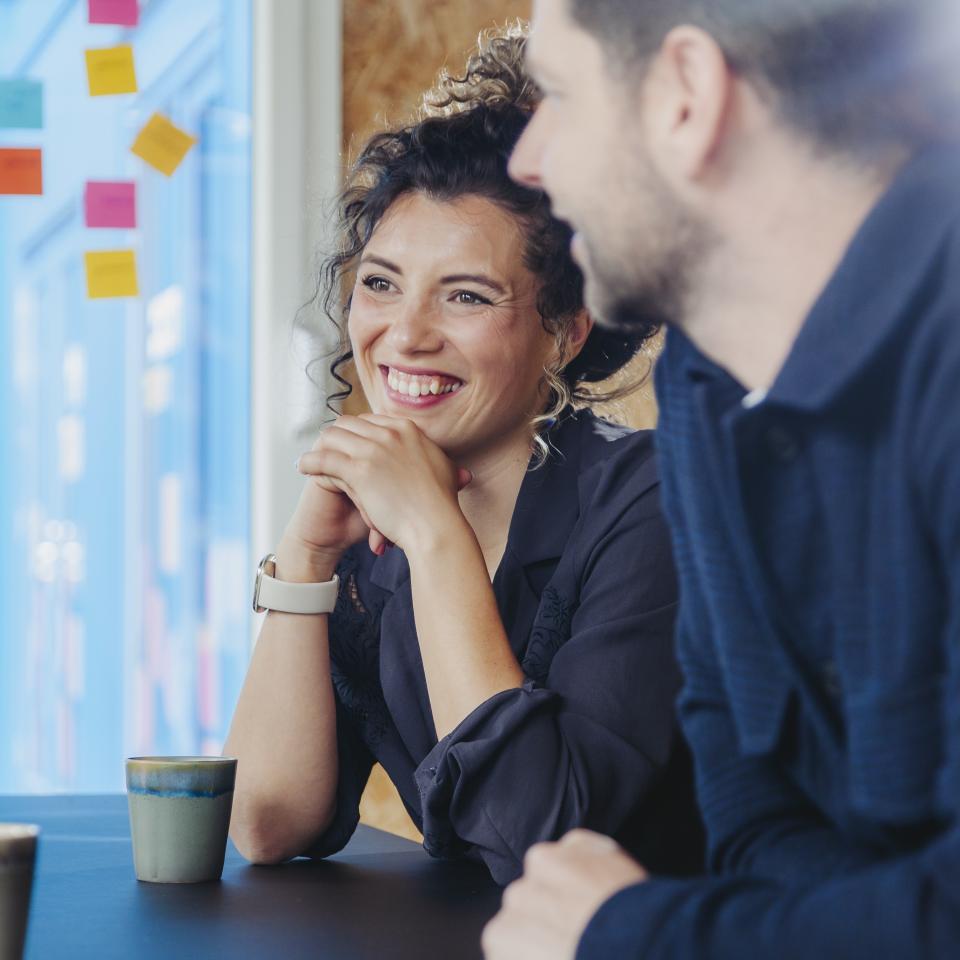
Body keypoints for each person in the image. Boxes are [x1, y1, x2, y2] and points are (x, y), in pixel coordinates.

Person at [483, 0, 960, 956]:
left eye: (563, 96)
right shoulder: (707, 376)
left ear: (687, 95)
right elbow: (750, 802)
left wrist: (626, 936)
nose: (528, 160)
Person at [224, 28, 704, 887]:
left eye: (467, 296)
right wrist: (304, 560)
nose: (404, 335)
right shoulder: (367, 538)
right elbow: (266, 821)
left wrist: (434, 533)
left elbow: (538, 839)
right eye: (380, 283)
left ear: (564, 334)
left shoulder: (655, 499)